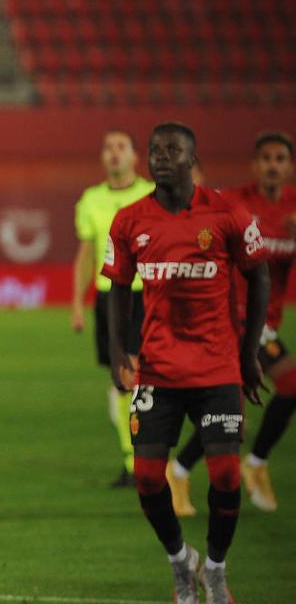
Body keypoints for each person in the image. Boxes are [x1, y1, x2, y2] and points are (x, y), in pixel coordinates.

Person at [103, 122, 268, 604]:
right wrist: (118, 351)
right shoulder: (130, 219)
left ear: (192, 158)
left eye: (171, 150)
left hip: (217, 368)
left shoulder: (227, 213)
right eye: (154, 150)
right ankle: (181, 561)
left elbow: (258, 279)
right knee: (150, 478)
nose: (160, 157)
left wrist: (249, 350)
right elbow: (117, 287)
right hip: (158, 368)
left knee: (225, 476)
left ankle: (215, 569)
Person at [169, 131, 296, 515]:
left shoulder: (293, 209)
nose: (273, 165)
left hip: (264, 321)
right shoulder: (237, 201)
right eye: (267, 158)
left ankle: (180, 470)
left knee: (233, 411)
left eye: (280, 159)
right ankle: (248, 465)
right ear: (255, 166)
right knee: (286, 385)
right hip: (229, 318)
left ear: (289, 167)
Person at [72, 130, 154, 487]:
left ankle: (145, 459)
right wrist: (77, 301)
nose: (114, 153)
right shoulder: (91, 200)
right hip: (109, 296)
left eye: (121, 146)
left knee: (135, 376)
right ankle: (132, 459)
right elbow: (87, 253)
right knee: (121, 382)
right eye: (108, 147)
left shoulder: (152, 195)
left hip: (146, 293)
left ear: (135, 156)